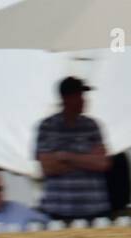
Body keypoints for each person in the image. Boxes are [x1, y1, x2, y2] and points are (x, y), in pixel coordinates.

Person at [34, 77, 112, 222]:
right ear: (66, 98)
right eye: (80, 95)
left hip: (94, 209)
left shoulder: (92, 126)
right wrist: (87, 159)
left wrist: (65, 156)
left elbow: (102, 163)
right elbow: (47, 167)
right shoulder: (46, 127)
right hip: (59, 212)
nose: (84, 100)